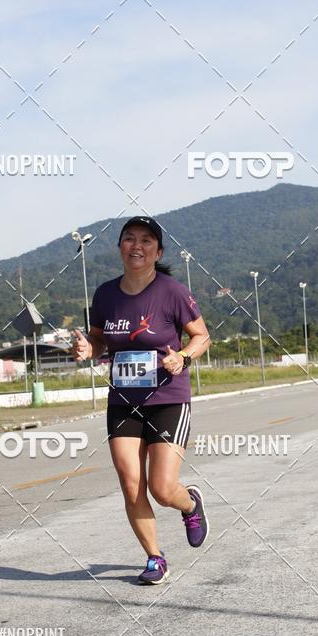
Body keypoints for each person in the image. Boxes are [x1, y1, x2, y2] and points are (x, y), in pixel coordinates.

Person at [72, 216, 211, 585]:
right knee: (131, 483)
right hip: (123, 402)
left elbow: (202, 336)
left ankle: (190, 503)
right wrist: (89, 347)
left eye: (146, 241)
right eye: (129, 239)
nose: (137, 245)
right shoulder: (105, 294)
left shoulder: (173, 291)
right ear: (120, 248)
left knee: (162, 488)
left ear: (158, 251)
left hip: (168, 398)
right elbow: (100, 340)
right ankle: (154, 558)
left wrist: (183, 357)